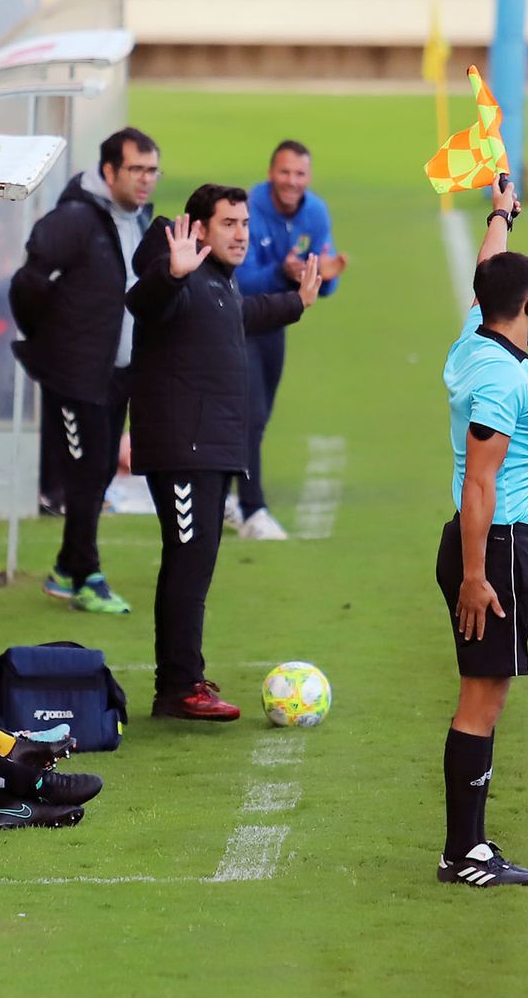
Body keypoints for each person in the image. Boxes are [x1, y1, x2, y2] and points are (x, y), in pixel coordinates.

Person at [126, 186, 321, 721]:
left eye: (244, 223)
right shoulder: (182, 282)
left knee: (197, 565)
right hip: (184, 451)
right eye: (229, 224)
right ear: (200, 230)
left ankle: (183, 683)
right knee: (187, 566)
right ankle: (179, 688)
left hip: (211, 450)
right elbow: (141, 301)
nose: (242, 233)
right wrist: (172, 272)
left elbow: (244, 314)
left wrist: (296, 304)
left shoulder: (218, 287)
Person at [434, 178, 528, 888]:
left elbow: (487, 274)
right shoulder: (502, 381)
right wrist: (476, 575)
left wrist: (501, 213)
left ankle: (467, 845)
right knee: (483, 698)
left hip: (490, 543)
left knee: (486, 692)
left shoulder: (473, 341)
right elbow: (481, 481)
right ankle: (465, 852)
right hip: (496, 546)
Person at [11, 127, 160, 615]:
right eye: (136, 169)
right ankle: (88, 575)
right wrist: (54, 344)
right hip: (75, 375)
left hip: (117, 373)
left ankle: (63, 571)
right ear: (109, 171)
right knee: (85, 473)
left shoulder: (141, 220)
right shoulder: (74, 220)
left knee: (97, 474)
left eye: (152, 170)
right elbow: (27, 284)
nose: (146, 181)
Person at [230, 140, 348, 540]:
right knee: (249, 416)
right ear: (270, 173)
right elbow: (241, 282)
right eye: (284, 172)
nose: (291, 181)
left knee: (257, 419)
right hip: (237, 322)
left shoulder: (315, 212)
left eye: (299, 174)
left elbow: (321, 285)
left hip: (275, 323)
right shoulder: (248, 210)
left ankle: (227, 500)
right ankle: (251, 509)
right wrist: (285, 273)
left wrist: (326, 276)